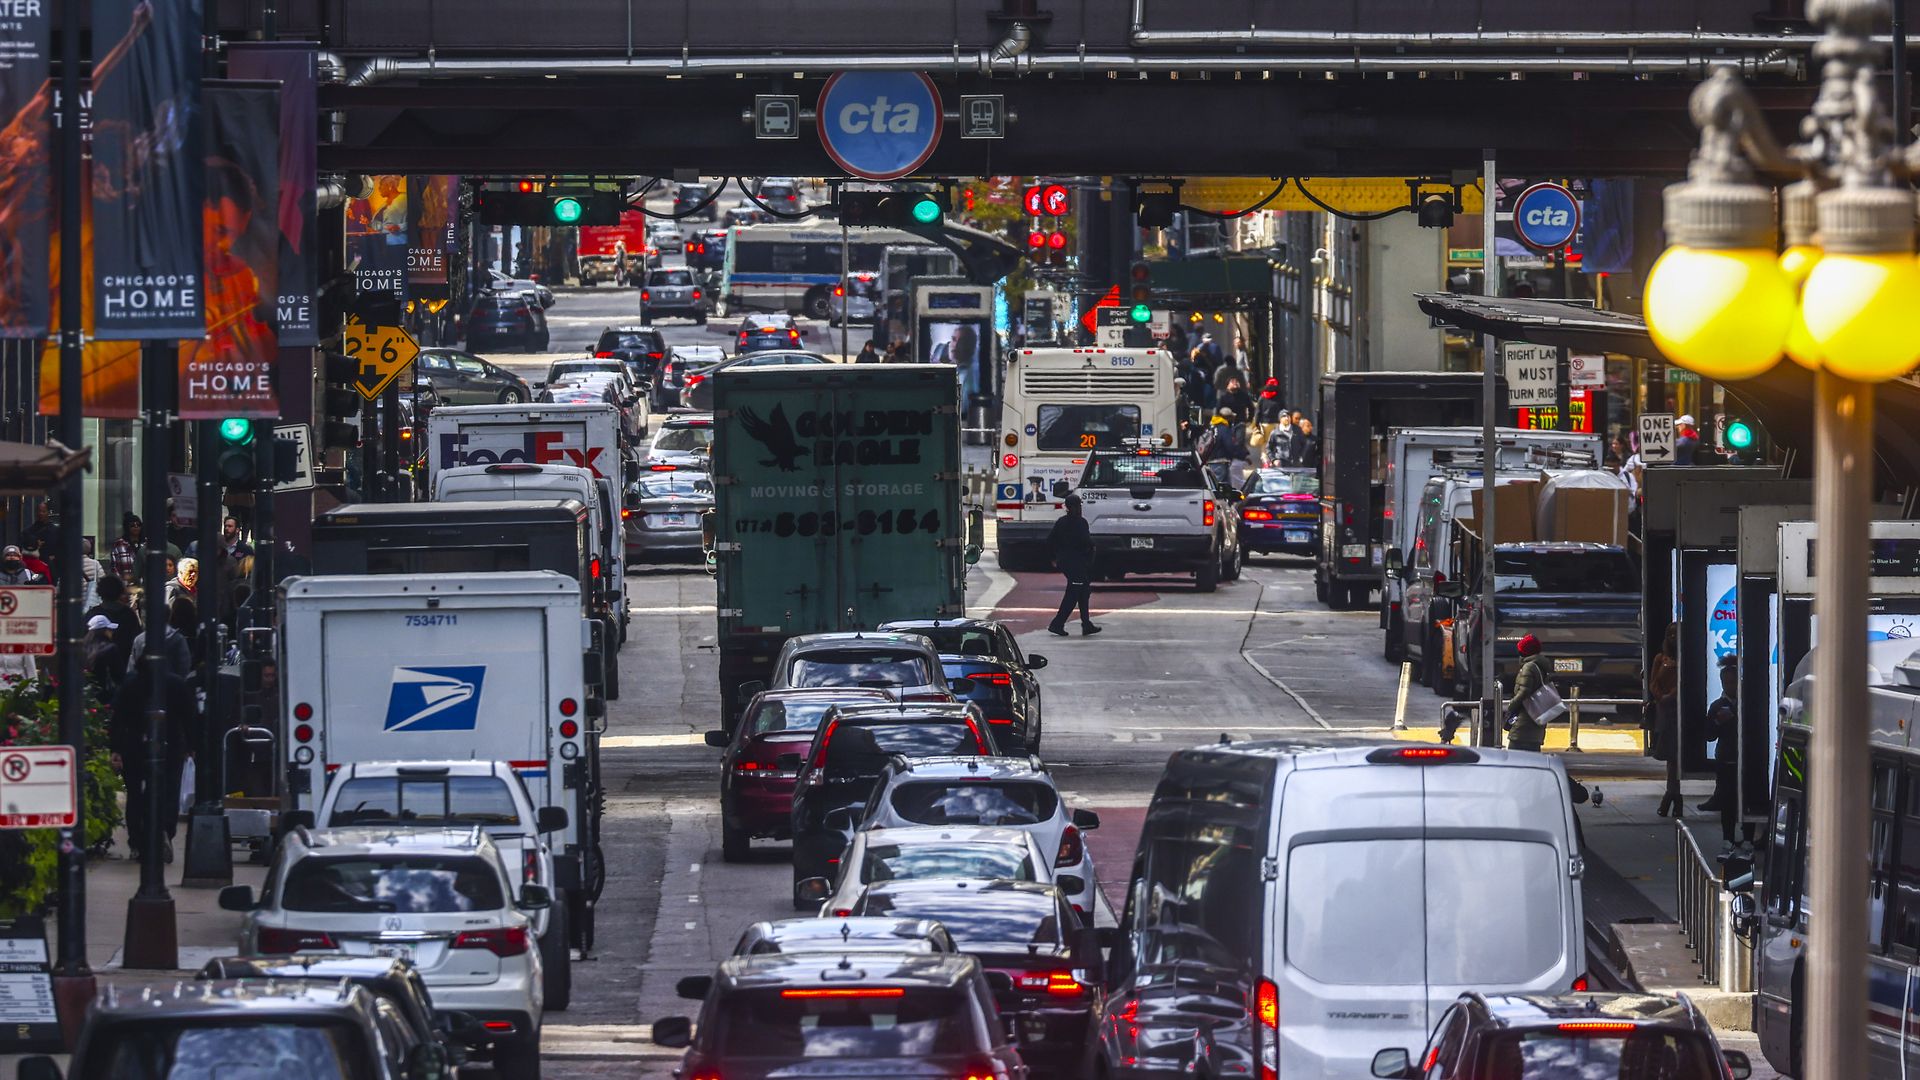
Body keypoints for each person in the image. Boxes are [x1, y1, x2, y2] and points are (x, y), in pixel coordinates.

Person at [109, 661, 200, 864]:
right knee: (168, 790)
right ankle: (164, 829)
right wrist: (192, 745)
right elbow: (190, 716)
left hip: (135, 745)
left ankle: (137, 840)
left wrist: (115, 747)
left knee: (136, 794)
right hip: (170, 744)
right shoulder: (176, 684)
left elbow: (118, 718)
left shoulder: (131, 683)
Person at [1702, 656, 1752, 850]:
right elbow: (1708, 735)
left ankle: (1747, 836)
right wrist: (1717, 722)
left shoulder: (1746, 703)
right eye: (1726, 683)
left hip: (1745, 757)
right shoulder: (1716, 706)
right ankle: (1728, 837)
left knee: (1747, 797)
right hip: (1726, 757)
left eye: (1733, 682)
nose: (1730, 686)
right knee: (1727, 799)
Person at [1045, 494, 1100, 638]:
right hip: (1076, 562)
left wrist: (1053, 557)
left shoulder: (1061, 522)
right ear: (1075, 507)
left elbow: (1050, 540)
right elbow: (1085, 541)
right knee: (1073, 592)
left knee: (1084, 590)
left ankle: (1086, 624)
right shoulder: (1080, 522)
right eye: (1079, 505)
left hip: (1065, 561)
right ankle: (1057, 623)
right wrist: (1093, 547)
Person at [1650, 624, 1683, 818]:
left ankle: (1672, 796)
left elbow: (1683, 682)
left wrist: (1672, 695)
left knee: (1676, 757)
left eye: (1676, 635)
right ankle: (1674, 795)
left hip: (1679, 710)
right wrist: (1661, 696)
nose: (1672, 638)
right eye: (1669, 634)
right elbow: (1653, 682)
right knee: (1669, 756)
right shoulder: (1660, 658)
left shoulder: (1685, 658)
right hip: (1664, 711)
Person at [1504, 633, 1553, 752]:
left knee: (1514, 760)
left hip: (1524, 723)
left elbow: (1524, 692)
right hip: (1537, 720)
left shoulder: (1529, 667)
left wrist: (1511, 705)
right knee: (1533, 761)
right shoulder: (1541, 666)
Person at [86, 575, 140, 679]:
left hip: (94, 669)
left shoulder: (92, 613)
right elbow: (136, 642)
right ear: (120, 591)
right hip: (123, 667)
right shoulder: (128, 614)